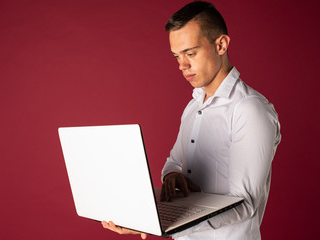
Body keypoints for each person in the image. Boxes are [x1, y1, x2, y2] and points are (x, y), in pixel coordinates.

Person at [102, 1, 281, 239]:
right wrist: (172, 176)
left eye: (190, 53)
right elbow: (174, 162)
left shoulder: (250, 110)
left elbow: (245, 204)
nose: (182, 65)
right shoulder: (193, 106)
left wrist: (164, 223)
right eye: (176, 56)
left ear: (221, 45)